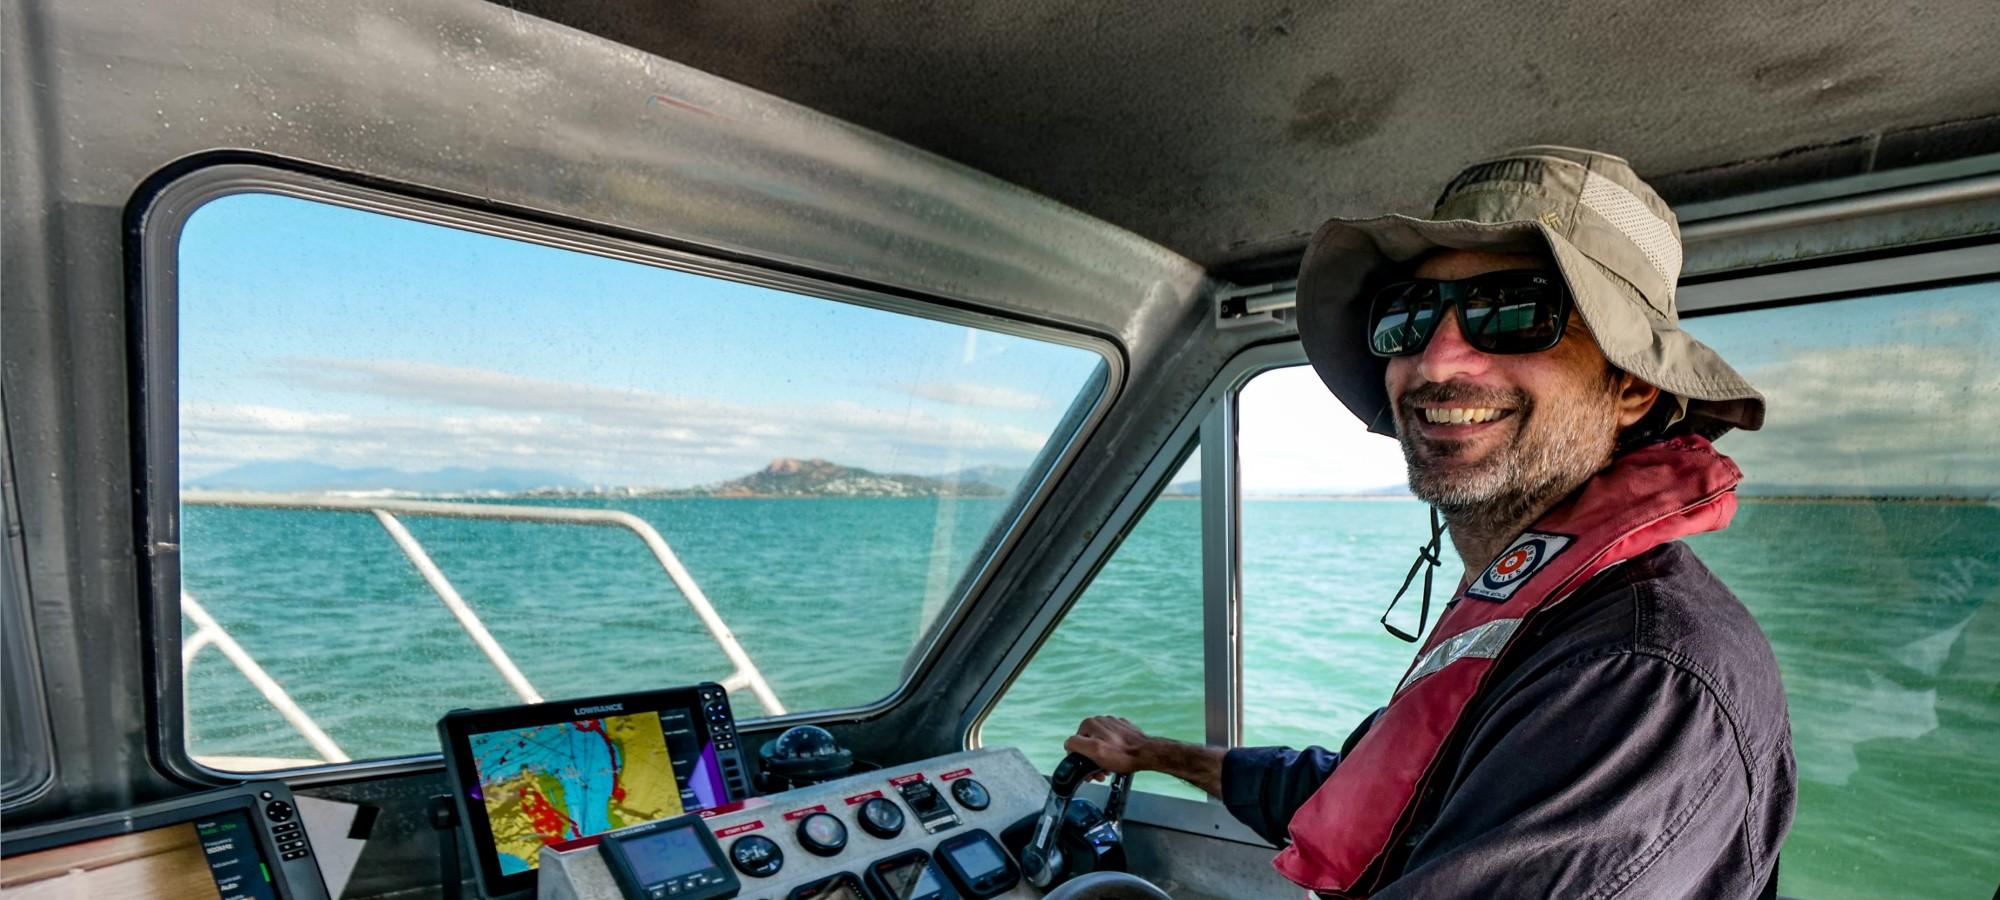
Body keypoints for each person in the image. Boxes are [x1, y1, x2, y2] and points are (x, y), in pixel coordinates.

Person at [1064, 147, 1795, 899]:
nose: (1439, 360)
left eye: (1515, 314)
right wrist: (1154, 753)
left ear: (1633, 385)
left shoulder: (1637, 677)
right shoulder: (1541, 609)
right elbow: (1380, 795)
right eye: (1409, 318)